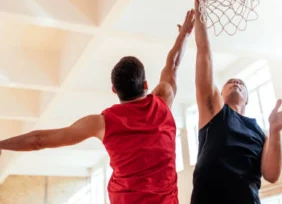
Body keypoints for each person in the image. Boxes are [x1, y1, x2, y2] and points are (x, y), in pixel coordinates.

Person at [0, 10, 195, 204]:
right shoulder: (163, 100)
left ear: (113, 89)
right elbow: (174, 63)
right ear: (145, 85)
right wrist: (183, 36)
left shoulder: (102, 123)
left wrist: (1, 144)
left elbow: (38, 140)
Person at [191, 0, 282, 204]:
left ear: (248, 98)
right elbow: (204, 54)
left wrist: (275, 130)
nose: (235, 82)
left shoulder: (260, 131)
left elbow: (271, 174)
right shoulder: (213, 112)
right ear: (221, 93)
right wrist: (199, 2)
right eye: (230, 82)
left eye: (241, 83)